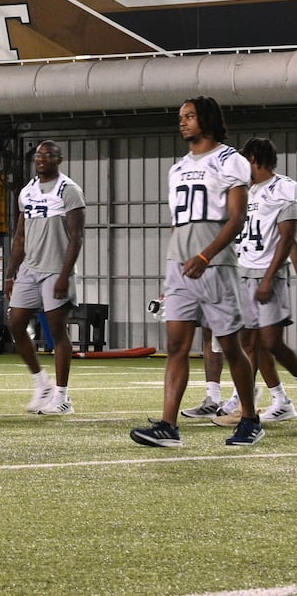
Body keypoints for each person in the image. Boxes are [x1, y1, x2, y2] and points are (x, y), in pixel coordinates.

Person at [131, 96, 261, 447]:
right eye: (180, 117)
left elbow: (236, 219)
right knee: (176, 346)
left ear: (206, 119)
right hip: (180, 264)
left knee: (230, 346)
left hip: (215, 264)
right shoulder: (176, 168)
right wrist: (169, 273)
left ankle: (250, 418)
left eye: (189, 116)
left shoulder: (229, 160)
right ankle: (168, 426)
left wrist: (205, 255)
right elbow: (178, 224)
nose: (183, 122)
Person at [4, 140, 84, 416]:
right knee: (15, 323)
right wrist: (10, 274)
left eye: (48, 155)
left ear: (59, 160)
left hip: (55, 269)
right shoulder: (27, 191)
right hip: (29, 268)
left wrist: (64, 275)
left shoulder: (68, 191)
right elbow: (20, 236)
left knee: (56, 331)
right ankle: (42, 383)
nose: (42, 159)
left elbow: (76, 237)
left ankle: (63, 397)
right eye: (38, 155)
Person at [228, 138, 297, 424]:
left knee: (272, 342)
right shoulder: (246, 191)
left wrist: (269, 277)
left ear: (253, 158)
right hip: (242, 272)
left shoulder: (285, 187)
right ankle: (248, 407)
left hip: (268, 274)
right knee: (248, 341)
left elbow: (287, 238)